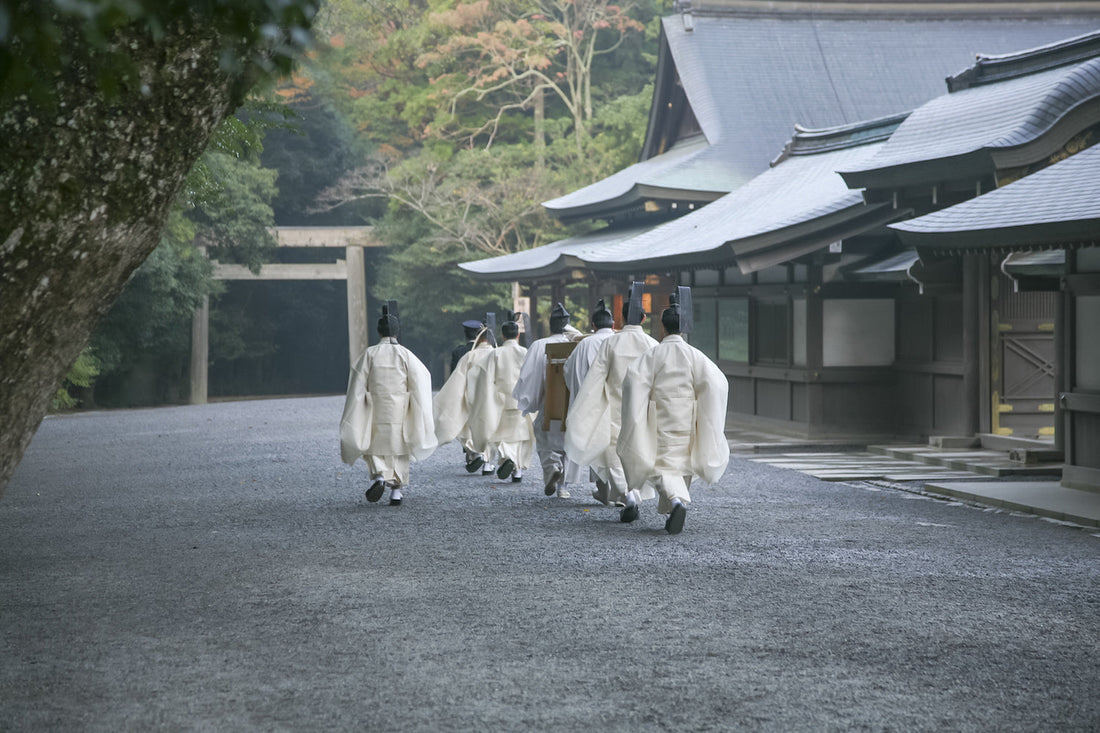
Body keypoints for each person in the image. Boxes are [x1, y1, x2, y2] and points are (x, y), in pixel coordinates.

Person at [617, 288, 730, 535]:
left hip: (660, 415)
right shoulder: (695, 355)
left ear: (662, 328)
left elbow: (633, 382)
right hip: (687, 416)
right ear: (683, 327)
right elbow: (716, 383)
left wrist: (638, 410)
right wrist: (703, 407)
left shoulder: (654, 354)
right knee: (681, 464)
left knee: (661, 466)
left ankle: (678, 502)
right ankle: (671, 513)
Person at [564, 286, 658, 509]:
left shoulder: (610, 343)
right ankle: (635, 491)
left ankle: (627, 494)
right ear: (644, 318)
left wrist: (586, 407)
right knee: (642, 447)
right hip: (644, 408)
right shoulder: (653, 345)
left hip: (615, 407)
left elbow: (595, 378)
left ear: (621, 318)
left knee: (613, 452)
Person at [339, 303, 437, 506]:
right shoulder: (406, 355)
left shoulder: (369, 354)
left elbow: (357, 382)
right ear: (397, 331)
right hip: (399, 408)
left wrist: (357, 405)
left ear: (378, 331)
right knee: (399, 448)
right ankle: (396, 492)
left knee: (375, 445)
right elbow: (421, 378)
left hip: (375, 406)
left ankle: (380, 477)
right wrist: (415, 404)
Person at [513, 302, 585, 498]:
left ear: (550, 325)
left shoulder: (539, 345)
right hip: (573, 404)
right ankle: (564, 487)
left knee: (545, 438)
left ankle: (553, 467)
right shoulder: (578, 346)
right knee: (570, 442)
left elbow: (528, 377)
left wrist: (530, 402)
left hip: (550, 402)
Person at [561, 299, 616, 503]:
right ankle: (615, 491)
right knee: (614, 446)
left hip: (590, 406)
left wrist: (580, 395)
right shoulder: (618, 341)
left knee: (594, 442)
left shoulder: (585, 344)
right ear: (613, 324)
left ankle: (601, 489)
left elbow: (568, 371)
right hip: (617, 404)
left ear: (593, 325)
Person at [434, 320, 498, 475]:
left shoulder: (461, 352)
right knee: (488, 424)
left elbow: (455, 377)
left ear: (465, 334)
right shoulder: (494, 352)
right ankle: (487, 462)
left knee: (468, 426)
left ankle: (474, 453)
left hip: (468, 393)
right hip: (489, 395)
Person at [481, 315, 535, 482]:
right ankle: (517, 470)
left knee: (501, 435)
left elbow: (487, 378)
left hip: (501, 400)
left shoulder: (495, 354)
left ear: (502, 336)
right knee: (519, 436)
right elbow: (532, 376)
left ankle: (508, 458)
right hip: (521, 399)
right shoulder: (525, 352)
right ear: (518, 335)